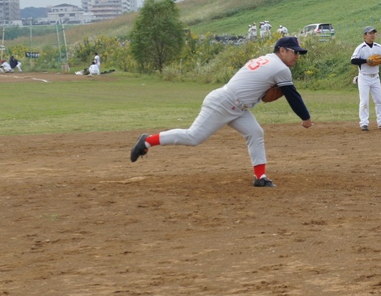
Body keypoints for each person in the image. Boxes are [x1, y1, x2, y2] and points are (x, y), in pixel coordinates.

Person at [130, 36, 313, 187]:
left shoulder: (267, 60)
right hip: (223, 103)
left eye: (299, 53)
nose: (297, 56)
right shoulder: (280, 68)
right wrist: (305, 117)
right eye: (295, 52)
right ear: (282, 50)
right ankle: (147, 141)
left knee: (255, 132)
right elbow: (292, 95)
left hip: (237, 107)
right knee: (193, 137)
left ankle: (260, 177)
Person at [350, 26, 381, 131]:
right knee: (364, 101)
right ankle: (364, 123)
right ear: (365, 35)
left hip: (375, 77)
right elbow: (353, 60)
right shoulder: (360, 48)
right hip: (364, 77)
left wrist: (378, 61)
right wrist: (366, 61)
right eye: (370, 33)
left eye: (373, 33)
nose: (372, 35)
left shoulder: (378, 47)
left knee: (379, 100)